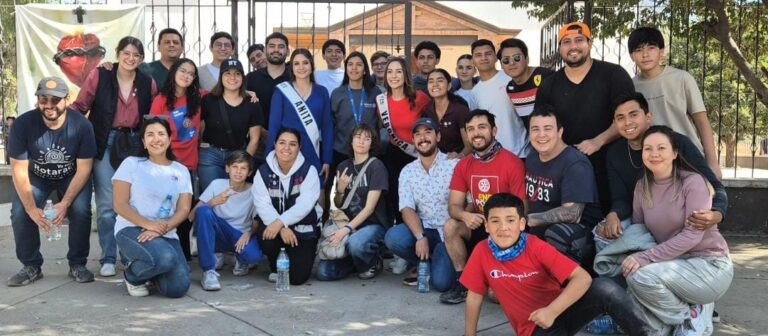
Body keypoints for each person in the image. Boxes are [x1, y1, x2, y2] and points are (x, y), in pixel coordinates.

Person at [461, 193, 654, 336]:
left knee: (605, 287)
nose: (503, 228)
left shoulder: (535, 246)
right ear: (486, 225)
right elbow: (474, 297)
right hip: (534, 327)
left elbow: (582, 278)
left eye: (510, 220)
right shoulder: (481, 251)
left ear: (521, 224)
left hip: (561, 309)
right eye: (495, 221)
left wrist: (552, 311)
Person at [622, 125, 733, 335]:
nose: (654, 154)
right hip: (671, 265)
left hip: (708, 264)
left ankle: (692, 315)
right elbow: (640, 233)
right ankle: (686, 312)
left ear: (674, 153)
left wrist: (644, 258)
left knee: (640, 277)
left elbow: (692, 236)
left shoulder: (693, 182)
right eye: (648, 148)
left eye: (661, 148)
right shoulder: (641, 187)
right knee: (634, 287)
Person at [70, 36, 157, 278]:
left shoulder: (147, 82)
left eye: (136, 55)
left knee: (132, 203)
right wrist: (67, 131)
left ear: (141, 59)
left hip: (134, 144)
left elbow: (153, 115)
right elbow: (80, 106)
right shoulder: (101, 75)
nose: (131, 59)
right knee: (108, 205)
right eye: (126, 53)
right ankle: (108, 257)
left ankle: (129, 255)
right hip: (105, 141)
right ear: (118, 54)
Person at [599, 92, 727, 251]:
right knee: (601, 236)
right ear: (615, 123)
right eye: (620, 118)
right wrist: (614, 214)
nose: (627, 122)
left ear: (648, 117)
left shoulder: (676, 142)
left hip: (679, 218)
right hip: (641, 219)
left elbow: (714, 185)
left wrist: (717, 213)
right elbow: (620, 197)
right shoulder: (615, 153)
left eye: (633, 115)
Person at [535, 22, 635, 214]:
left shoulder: (614, 75)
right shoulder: (549, 85)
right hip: (567, 169)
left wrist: (598, 141)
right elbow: (541, 124)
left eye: (579, 40)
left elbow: (629, 119)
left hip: (610, 166)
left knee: (610, 224)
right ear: (560, 48)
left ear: (589, 43)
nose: (573, 46)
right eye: (566, 42)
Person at [7, 77, 96, 287]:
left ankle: (77, 264)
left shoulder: (82, 125)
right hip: (37, 176)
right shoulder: (22, 124)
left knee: (81, 210)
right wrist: (31, 209)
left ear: (67, 99)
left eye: (55, 100)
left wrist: (64, 204)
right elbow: (18, 170)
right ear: (37, 100)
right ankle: (31, 266)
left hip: (71, 176)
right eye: (44, 99)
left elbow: (84, 168)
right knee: (20, 212)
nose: (49, 105)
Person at [441, 109, 526, 304]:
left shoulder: (512, 163)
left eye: (482, 127)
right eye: (470, 129)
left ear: (494, 130)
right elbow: (453, 206)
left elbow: (522, 211)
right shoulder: (464, 165)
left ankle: (493, 277)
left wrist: (497, 224)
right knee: (451, 225)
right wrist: (465, 216)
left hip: (505, 230)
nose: (476, 133)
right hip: (479, 225)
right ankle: (463, 282)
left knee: (495, 296)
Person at [112, 117, 192, 298]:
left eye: (161, 134)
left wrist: (160, 229)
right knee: (165, 258)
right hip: (132, 228)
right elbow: (119, 204)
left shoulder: (181, 170)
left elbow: (184, 209)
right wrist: (148, 224)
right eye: (150, 135)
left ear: (170, 139)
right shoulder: (131, 164)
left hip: (165, 231)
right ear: (143, 142)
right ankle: (132, 276)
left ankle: (151, 267)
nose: (156, 139)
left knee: (177, 288)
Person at [628, 26, 721, 179]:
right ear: (632, 55)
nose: (645, 54)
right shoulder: (631, 87)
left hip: (688, 156)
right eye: (638, 50)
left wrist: (712, 163)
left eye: (651, 48)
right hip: (654, 160)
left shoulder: (682, 78)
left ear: (661, 51)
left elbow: (702, 122)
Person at [383, 118, 459, 292]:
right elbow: (406, 208)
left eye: (427, 132)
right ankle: (425, 261)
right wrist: (419, 236)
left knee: (442, 284)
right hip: (425, 228)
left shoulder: (454, 165)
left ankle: (431, 263)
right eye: (417, 134)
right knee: (393, 238)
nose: (422, 138)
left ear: (438, 136)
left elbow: (468, 203)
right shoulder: (408, 171)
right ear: (413, 140)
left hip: (448, 233)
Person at [524, 106, 602, 265]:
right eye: (535, 129)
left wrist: (527, 220)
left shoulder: (575, 163)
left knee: (557, 234)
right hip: (538, 231)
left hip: (577, 236)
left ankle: (567, 285)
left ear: (560, 132)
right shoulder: (532, 158)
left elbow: (573, 213)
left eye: (548, 129)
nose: (541, 135)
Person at [316, 124, 389, 281]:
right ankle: (355, 262)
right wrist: (341, 189)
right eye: (358, 137)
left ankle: (372, 261)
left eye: (367, 138)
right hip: (346, 224)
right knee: (323, 272)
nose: (361, 141)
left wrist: (346, 230)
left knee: (356, 243)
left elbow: (369, 208)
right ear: (351, 141)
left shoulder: (377, 166)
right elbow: (337, 204)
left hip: (371, 226)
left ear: (372, 143)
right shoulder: (343, 166)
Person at [149, 58, 205, 260]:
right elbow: (153, 132)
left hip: (189, 165)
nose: (187, 76)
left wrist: (248, 93)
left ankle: (184, 256)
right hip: (167, 164)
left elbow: (223, 94)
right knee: (165, 209)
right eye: (183, 71)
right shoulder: (161, 99)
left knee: (186, 210)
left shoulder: (198, 97)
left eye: (191, 73)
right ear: (174, 72)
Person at [252, 128, 321, 285]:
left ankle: (299, 256)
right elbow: (262, 204)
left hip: (303, 228)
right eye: (282, 143)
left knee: (297, 278)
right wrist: (281, 226)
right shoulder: (263, 171)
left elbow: (306, 204)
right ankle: (275, 265)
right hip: (277, 227)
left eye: (292, 144)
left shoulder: (308, 170)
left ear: (299, 147)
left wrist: (280, 222)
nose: (286, 148)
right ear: (274, 144)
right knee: (266, 232)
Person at [190, 150, 261, 290]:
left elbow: (256, 221)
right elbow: (192, 215)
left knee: (254, 256)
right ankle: (209, 269)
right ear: (227, 168)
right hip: (219, 231)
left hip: (239, 235)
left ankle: (239, 258)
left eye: (243, 168)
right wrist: (213, 201)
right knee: (204, 210)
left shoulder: (254, 190)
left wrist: (249, 233)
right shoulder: (217, 184)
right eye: (234, 166)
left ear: (250, 172)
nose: (238, 172)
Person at [327, 52, 382, 218]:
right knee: (340, 192)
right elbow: (332, 124)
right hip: (342, 151)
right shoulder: (337, 93)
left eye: (359, 64)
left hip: (368, 153)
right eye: (350, 64)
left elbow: (381, 124)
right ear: (346, 68)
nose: (354, 68)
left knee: (367, 192)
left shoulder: (375, 92)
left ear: (365, 70)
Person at [376, 57, 431, 224]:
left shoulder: (420, 98)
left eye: (398, 71)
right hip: (395, 155)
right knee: (398, 198)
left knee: (423, 197)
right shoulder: (381, 101)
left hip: (419, 156)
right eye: (390, 72)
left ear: (406, 75)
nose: (394, 76)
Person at [267, 48, 333, 183]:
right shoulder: (282, 91)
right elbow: (274, 126)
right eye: (296, 64)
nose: (301, 67)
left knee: (317, 196)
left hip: (312, 150)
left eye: (305, 63)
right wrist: (270, 155)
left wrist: (327, 159)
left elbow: (327, 127)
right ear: (291, 68)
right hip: (287, 151)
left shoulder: (322, 92)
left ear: (311, 66)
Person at [198, 59, 264, 192]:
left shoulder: (252, 103)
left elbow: (254, 139)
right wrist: (201, 143)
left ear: (242, 78)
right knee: (211, 196)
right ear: (221, 76)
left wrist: (243, 161)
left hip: (237, 155)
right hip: (210, 155)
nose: (232, 77)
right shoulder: (208, 100)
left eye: (237, 74)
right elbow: (198, 126)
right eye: (227, 73)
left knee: (233, 197)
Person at [470, 39, 529, 158]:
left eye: (488, 53)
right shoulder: (475, 93)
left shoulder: (510, 77)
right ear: (473, 61)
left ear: (496, 57)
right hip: (494, 156)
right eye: (478, 55)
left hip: (522, 152)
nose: (484, 58)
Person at [499, 38, 554, 130]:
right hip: (536, 142)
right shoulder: (510, 88)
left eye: (517, 58)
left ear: (527, 59)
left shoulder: (547, 77)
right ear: (501, 65)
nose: (511, 63)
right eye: (506, 60)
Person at [422, 68, 470, 158]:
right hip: (435, 163)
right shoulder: (427, 111)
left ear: (448, 86)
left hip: (458, 162)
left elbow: (469, 145)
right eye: (431, 81)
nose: (435, 85)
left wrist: (459, 156)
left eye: (440, 80)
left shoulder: (460, 110)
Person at [246, 32, 291, 127]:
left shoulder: (296, 77)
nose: (276, 50)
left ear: (288, 51)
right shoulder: (250, 78)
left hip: (291, 139)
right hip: (258, 138)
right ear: (265, 50)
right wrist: (260, 133)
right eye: (272, 46)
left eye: (281, 46)